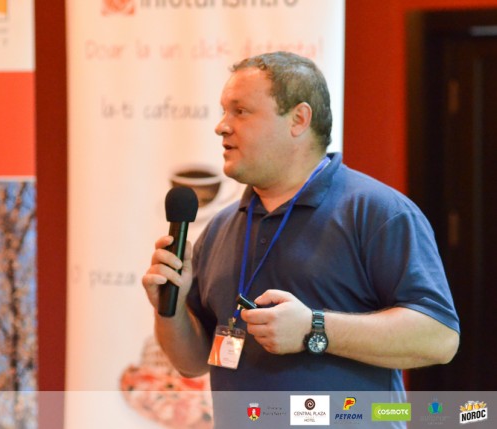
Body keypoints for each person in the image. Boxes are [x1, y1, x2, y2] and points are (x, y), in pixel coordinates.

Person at [141, 51, 460, 425]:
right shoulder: (220, 227)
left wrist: (313, 328)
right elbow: (192, 362)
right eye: (224, 111)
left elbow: (439, 338)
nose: (221, 127)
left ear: (298, 119)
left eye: (240, 111)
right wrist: (170, 308)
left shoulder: (376, 212)